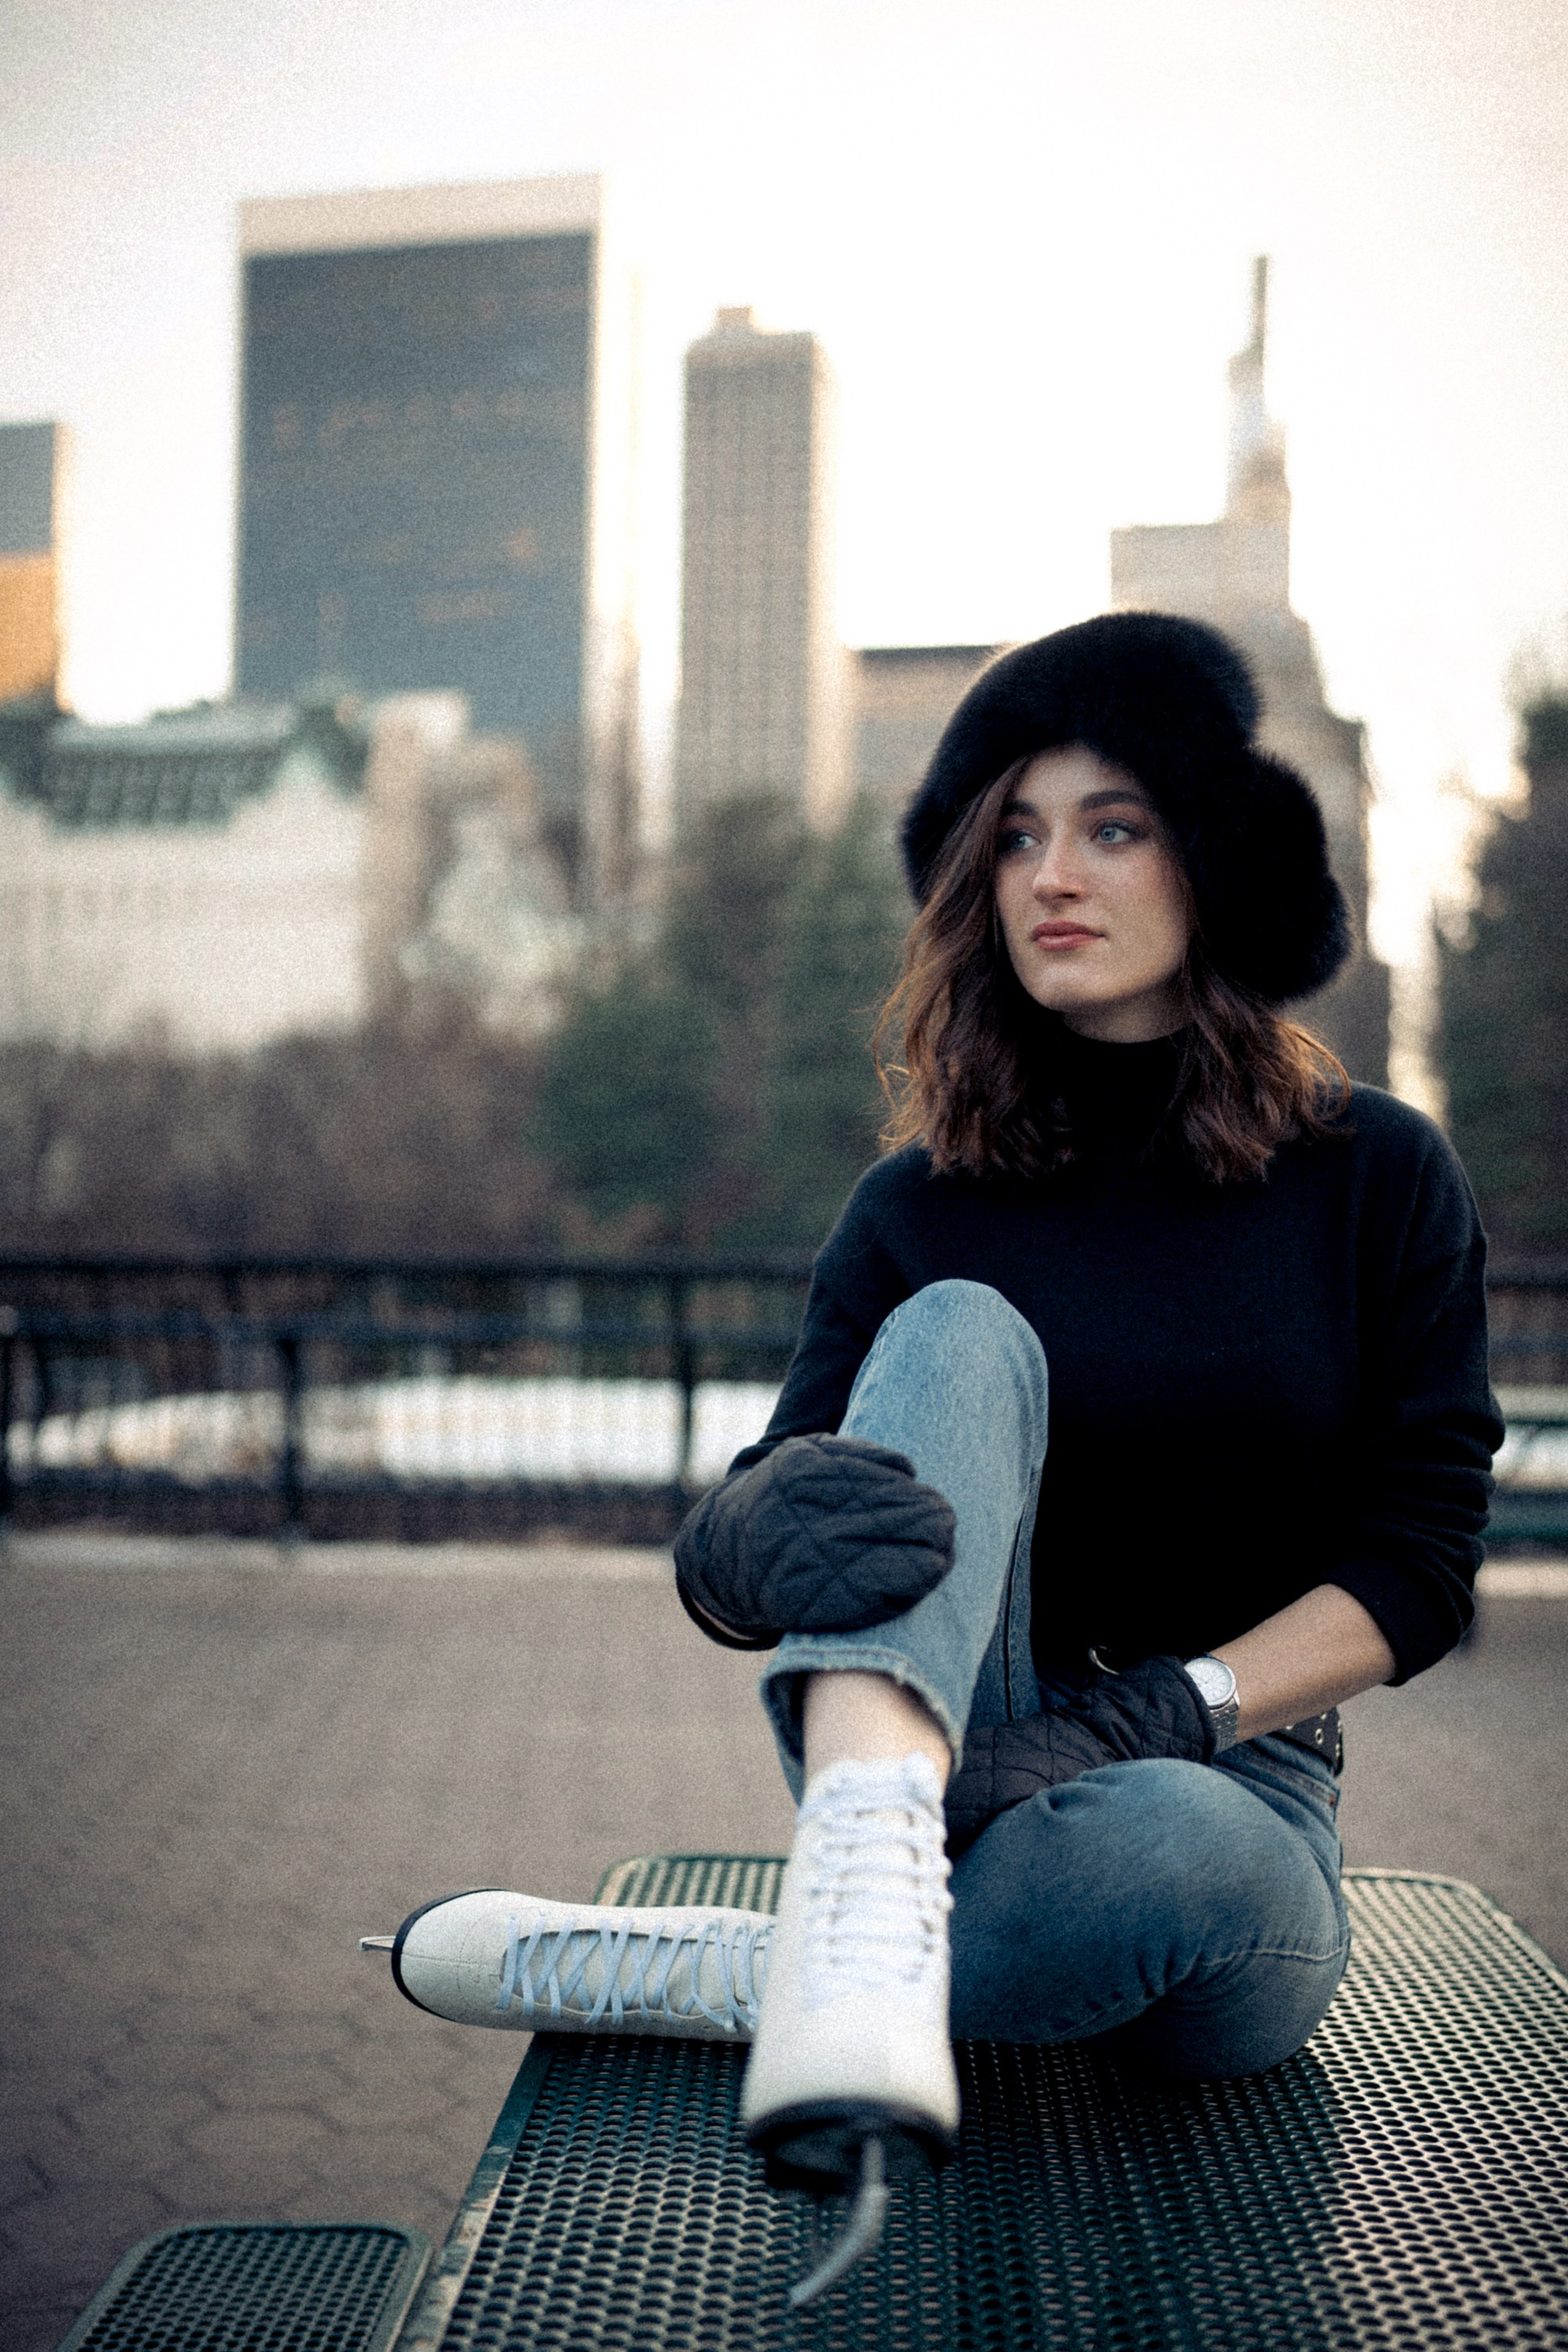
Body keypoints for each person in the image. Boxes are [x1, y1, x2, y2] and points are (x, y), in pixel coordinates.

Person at [370, 614, 1501, 2219]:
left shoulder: (1374, 1175)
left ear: (1214, 861)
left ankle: (757, 1976)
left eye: (1113, 827)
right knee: (963, 1331)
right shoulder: (920, 1203)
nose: (1052, 874)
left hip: (1232, 1796)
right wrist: (754, 1536)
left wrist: (1162, 1712)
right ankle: (858, 1878)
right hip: (927, 1781)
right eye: (1018, 836)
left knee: (1157, 1843)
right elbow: (757, 1532)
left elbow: (1418, 1566)